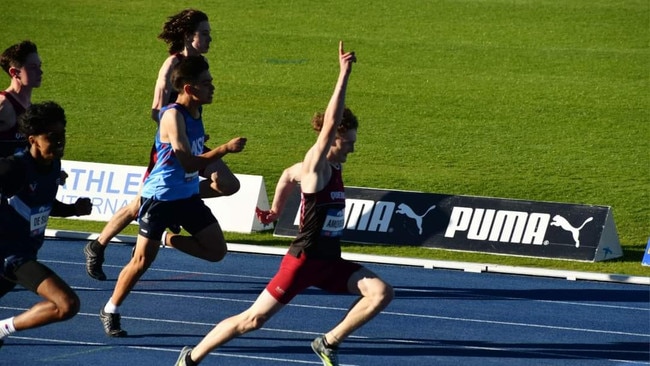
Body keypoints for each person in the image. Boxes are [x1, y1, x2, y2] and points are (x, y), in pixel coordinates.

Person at [174, 41, 394, 366]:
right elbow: (330, 124)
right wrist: (344, 73)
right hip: (302, 262)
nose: (351, 149)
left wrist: (276, 209)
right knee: (253, 320)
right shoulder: (317, 164)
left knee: (381, 293)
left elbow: (289, 175)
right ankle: (191, 357)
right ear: (331, 139)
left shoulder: (326, 167)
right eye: (347, 143)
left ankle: (327, 343)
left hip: (329, 262)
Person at [84, 9, 240, 281]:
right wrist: (178, 128)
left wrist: (195, 132)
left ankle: (177, 206)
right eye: (204, 34)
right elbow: (157, 110)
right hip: (170, 148)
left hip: (192, 142)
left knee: (228, 183)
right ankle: (97, 245)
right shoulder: (172, 65)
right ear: (188, 36)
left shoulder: (200, 65)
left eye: (209, 34)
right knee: (140, 204)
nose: (209, 39)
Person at [99, 55, 246, 337]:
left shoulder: (196, 112)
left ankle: (167, 238)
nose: (213, 87)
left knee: (217, 252)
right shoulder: (173, 115)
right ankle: (111, 309)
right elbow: (187, 163)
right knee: (142, 262)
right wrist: (224, 149)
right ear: (189, 88)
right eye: (206, 83)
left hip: (187, 196)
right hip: (161, 199)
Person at [0, 101, 92, 348]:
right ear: (32, 139)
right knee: (66, 304)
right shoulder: (14, 168)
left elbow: (42, 202)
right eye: (53, 136)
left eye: (62, 134)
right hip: (10, 256)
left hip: (26, 252)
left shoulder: (53, 165)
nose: (60, 141)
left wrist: (73, 209)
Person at [0, 40, 42, 158]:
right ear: (14, 72)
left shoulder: (30, 108)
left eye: (39, 66)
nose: (40, 72)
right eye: (33, 67)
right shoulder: (4, 105)